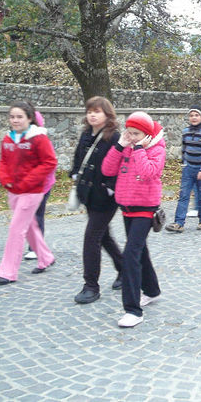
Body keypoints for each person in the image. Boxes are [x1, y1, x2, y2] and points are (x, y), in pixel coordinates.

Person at [102, 111, 165, 328]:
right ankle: (152, 290)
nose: (132, 137)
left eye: (136, 134)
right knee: (140, 251)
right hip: (127, 206)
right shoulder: (125, 145)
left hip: (145, 208)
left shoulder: (157, 150)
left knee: (130, 255)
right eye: (129, 133)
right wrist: (120, 146)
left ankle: (132, 310)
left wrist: (139, 149)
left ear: (146, 134)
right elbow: (107, 169)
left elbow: (148, 172)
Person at [0, 101, 57, 285]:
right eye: (12, 117)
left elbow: (49, 163)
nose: (15, 120)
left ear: (29, 118)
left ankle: (7, 272)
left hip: (32, 190)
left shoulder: (39, 139)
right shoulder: (7, 139)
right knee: (29, 226)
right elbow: (3, 162)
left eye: (19, 116)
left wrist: (27, 181)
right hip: (14, 190)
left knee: (16, 229)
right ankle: (45, 257)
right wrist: (5, 180)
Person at [71, 97, 123, 305]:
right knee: (103, 237)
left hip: (105, 198)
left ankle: (91, 285)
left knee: (91, 238)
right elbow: (77, 159)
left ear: (107, 114)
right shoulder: (86, 134)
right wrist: (75, 175)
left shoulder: (114, 136)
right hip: (88, 196)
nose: (92, 115)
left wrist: (109, 187)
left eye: (97, 111)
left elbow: (119, 164)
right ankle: (125, 269)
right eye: (90, 111)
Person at [166, 105, 201, 233]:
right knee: (183, 195)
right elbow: (184, 149)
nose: (193, 118)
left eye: (196, 115)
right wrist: (184, 163)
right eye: (191, 115)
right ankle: (179, 223)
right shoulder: (185, 131)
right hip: (188, 169)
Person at [24, 110, 56, 261]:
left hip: (41, 186)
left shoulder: (42, 140)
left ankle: (36, 248)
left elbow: (50, 164)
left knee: (36, 216)